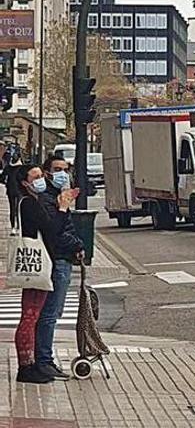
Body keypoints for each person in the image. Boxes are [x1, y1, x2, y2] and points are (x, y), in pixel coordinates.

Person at [33, 155, 84, 381]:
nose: (62, 173)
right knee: (49, 314)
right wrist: (76, 244)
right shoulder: (47, 200)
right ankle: (43, 360)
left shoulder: (57, 197)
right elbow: (55, 233)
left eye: (65, 169)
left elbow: (66, 228)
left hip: (64, 258)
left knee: (54, 312)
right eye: (57, 169)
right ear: (47, 173)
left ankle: (44, 358)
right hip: (57, 260)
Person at [13, 164, 54, 383]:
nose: (41, 180)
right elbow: (47, 226)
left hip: (35, 263)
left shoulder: (28, 201)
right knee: (30, 315)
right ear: (25, 182)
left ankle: (29, 364)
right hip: (35, 263)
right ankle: (25, 366)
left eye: (42, 175)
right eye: (36, 176)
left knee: (32, 314)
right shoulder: (29, 203)